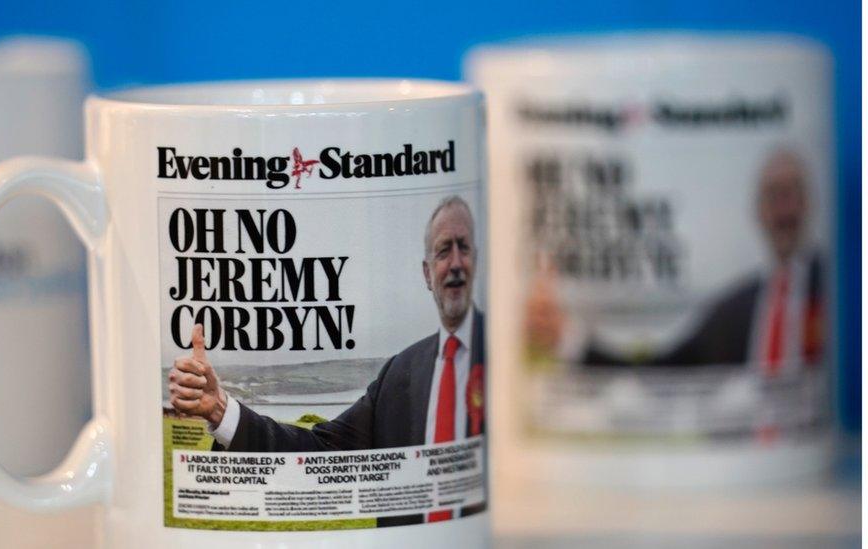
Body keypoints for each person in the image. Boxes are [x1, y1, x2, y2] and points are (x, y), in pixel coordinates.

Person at [169, 195, 485, 452]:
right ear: (427, 274)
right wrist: (221, 410)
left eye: (464, 247)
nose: (455, 262)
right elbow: (322, 450)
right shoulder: (399, 375)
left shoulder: (503, 353)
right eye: (444, 251)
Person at [529, 149, 824, 374]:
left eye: (792, 192)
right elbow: (664, 370)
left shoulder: (835, 290)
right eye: (774, 195)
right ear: (760, 211)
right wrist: (570, 338)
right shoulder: (731, 311)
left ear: (809, 201)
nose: (785, 209)